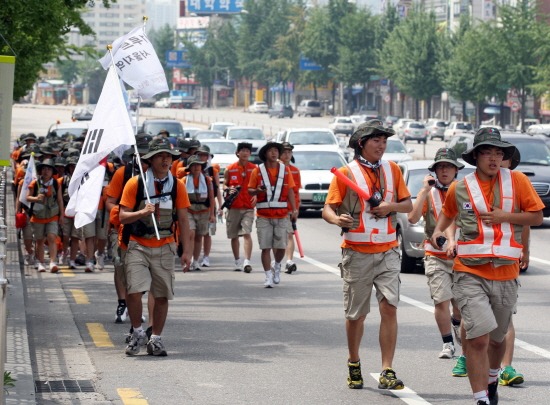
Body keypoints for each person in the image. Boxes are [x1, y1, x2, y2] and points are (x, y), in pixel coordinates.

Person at [429, 128, 543, 405]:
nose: (493, 158)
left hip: (506, 272)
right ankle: (481, 398)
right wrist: (440, 237)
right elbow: (443, 222)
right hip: (470, 272)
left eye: (498, 153)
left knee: (497, 338)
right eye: (488, 152)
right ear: (476, 156)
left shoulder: (517, 181)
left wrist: (507, 216)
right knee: (478, 338)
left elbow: (537, 217)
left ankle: (492, 377)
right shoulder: (461, 187)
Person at [322, 120, 412, 391]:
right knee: (356, 315)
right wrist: (338, 220)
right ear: (361, 143)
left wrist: (389, 206)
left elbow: (408, 204)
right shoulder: (346, 173)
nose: (381, 146)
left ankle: (387, 369)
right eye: (376, 140)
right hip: (356, 252)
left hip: (388, 251)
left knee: (390, 307)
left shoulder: (392, 169)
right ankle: (353, 362)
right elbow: (328, 208)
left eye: (384, 141)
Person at [119, 138, 192, 356]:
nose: (165, 160)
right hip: (138, 245)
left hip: (166, 246)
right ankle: (138, 332)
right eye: (160, 156)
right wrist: (142, 212)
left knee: (161, 295)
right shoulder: (136, 183)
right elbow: (122, 216)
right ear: (150, 160)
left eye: (168, 156)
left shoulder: (177, 186)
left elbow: (184, 220)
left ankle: (156, 338)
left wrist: (186, 251)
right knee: (133, 291)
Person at [407, 148, 464, 360]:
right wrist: (423, 191)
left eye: (449, 166)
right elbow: (412, 219)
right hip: (434, 255)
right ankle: (447, 343)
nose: (445, 170)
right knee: (441, 301)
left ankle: (457, 323)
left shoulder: (464, 192)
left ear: (456, 169)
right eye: (440, 166)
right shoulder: (429, 194)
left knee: (459, 306)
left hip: (460, 255)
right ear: (435, 171)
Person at [248, 142, 297, 288]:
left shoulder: (285, 170)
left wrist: (294, 209)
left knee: (281, 246)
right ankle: (268, 275)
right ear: (265, 154)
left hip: (281, 214)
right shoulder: (257, 171)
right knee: (265, 247)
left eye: (276, 150)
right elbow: (250, 190)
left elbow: (290, 191)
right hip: (264, 215)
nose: (274, 153)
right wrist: (258, 191)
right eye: (271, 151)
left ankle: (276, 265)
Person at [498, 146, 525, 387]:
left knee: (506, 319)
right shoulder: (472, 186)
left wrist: (525, 250)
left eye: (504, 157)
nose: (499, 161)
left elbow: (529, 218)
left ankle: (506, 368)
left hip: (508, 261)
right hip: (474, 265)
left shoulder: (518, 185)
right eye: (493, 155)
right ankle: (468, 358)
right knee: (474, 320)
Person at [26, 158, 65, 273]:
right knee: (39, 240)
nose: (46, 171)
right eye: (44, 169)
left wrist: (62, 214)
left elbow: (59, 200)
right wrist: (36, 198)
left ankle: (53, 262)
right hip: (38, 216)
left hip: (52, 215)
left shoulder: (56, 183)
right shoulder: (35, 182)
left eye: (48, 169)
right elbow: (27, 197)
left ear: (52, 172)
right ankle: (41, 263)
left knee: (52, 237)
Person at [223, 142, 257, 272]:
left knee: (246, 232)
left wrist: (257, 196)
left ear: (250, 153)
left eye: (247, 150)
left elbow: (259, 187)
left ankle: (247, 261)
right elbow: (224, 185)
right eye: (242, 150)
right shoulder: (230, 169)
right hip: (234, 207)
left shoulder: (255, 169)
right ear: (237, 153)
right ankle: (237, 260)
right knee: (234, 236)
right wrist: (229, 189)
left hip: (248, 207)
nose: (245, 153)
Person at [182, 155, 215, 271]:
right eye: (193, 165)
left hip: (204, 211)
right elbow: (180, 199)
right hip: (189, 210)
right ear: (189, 168)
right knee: (190, 233)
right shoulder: (184, 181)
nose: (196, 167)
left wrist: (212, 214)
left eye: (198, 165)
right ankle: (189, 259)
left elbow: (211, 198)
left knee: (199, 236)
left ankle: (196, 260)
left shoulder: (207, 180)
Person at [279, 142, 301, 274]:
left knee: (289, 234)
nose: (287, 155)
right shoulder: (275, 169)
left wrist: (295, 209)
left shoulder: (295, 170)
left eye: (289, 152)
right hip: (276, 208)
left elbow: (296, 192)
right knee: (277, 237)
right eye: (284, 152)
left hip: (289, 208)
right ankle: (276, 261)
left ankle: (289, 261)